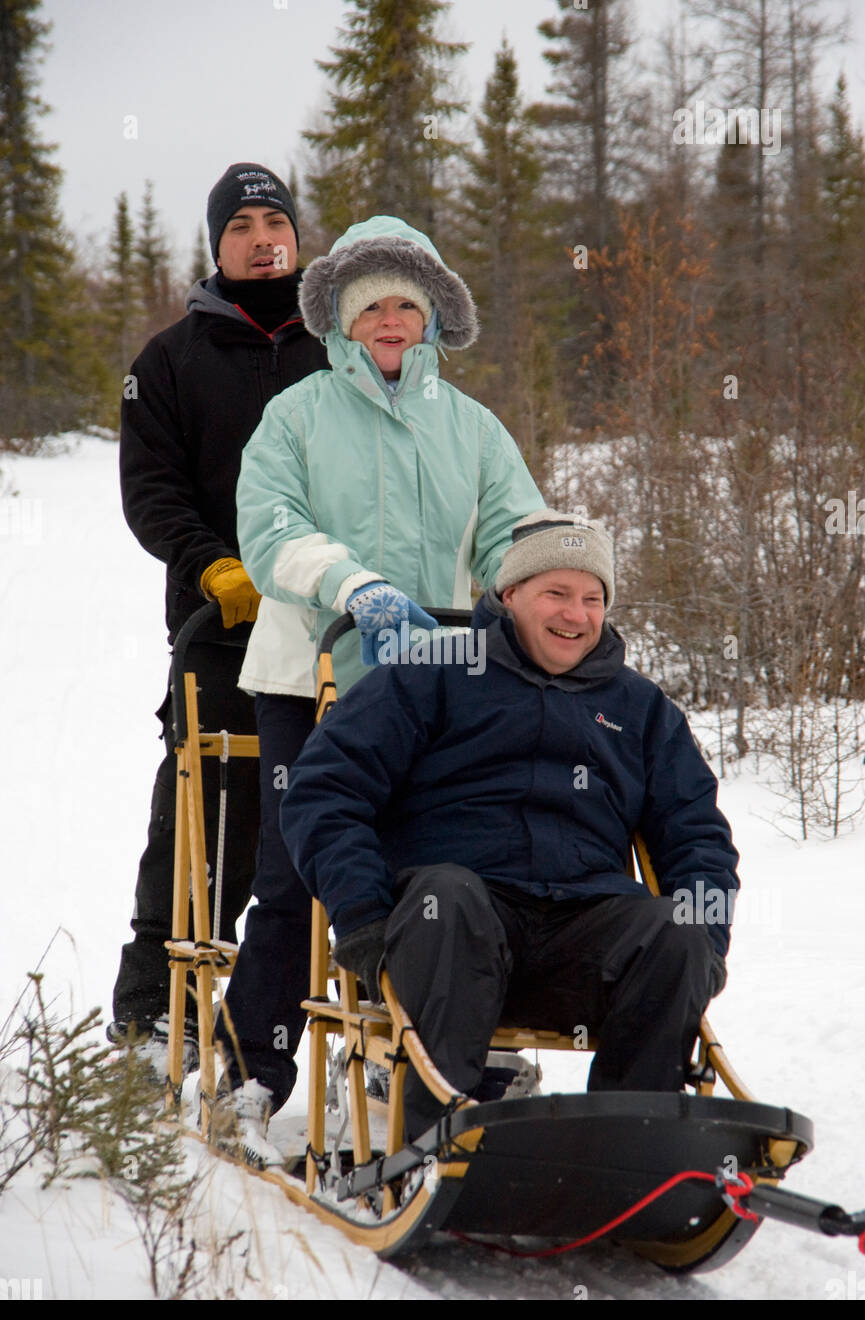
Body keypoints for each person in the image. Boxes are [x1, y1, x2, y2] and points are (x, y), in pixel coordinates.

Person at [210, 216, 543, 1161]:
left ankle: (433, 1064)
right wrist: (353, 584)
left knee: (435, 866)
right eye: (372, 307)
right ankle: (249, 1074)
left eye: (407, 304)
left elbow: (512, 532)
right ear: (343, 322)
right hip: (308, 676)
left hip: (431, 679)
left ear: (432, 316)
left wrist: (553, 589)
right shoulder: (298, 414)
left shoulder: (470, 425)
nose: (391, 321)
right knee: (299, 874)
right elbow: (268, 528)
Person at [281, 511, 739, 1142]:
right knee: (452, 898)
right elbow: (326, 788)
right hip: (452, 930)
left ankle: (632, 1149)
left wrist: (708, 940)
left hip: (584, 936)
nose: (575, 615)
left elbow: (698, 836)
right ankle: (431, 1145)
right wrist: (361, 912)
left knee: (677, 932)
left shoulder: (641, 709)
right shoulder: (435, 671)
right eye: (556, 593)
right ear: (509, 594)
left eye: (592, 598)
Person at [109, 164, 328, 1067]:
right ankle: (155, 1007)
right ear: (217, 246)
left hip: (328, 631)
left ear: (299, 240)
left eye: (275, 219)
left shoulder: (336, 348)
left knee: (324, 820)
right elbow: (150, 490)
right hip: (222, 625)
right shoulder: (170, 358)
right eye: (240, 224)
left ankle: (287, 1013)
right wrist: (212, 567)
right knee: (209, 819)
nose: (261, 235)